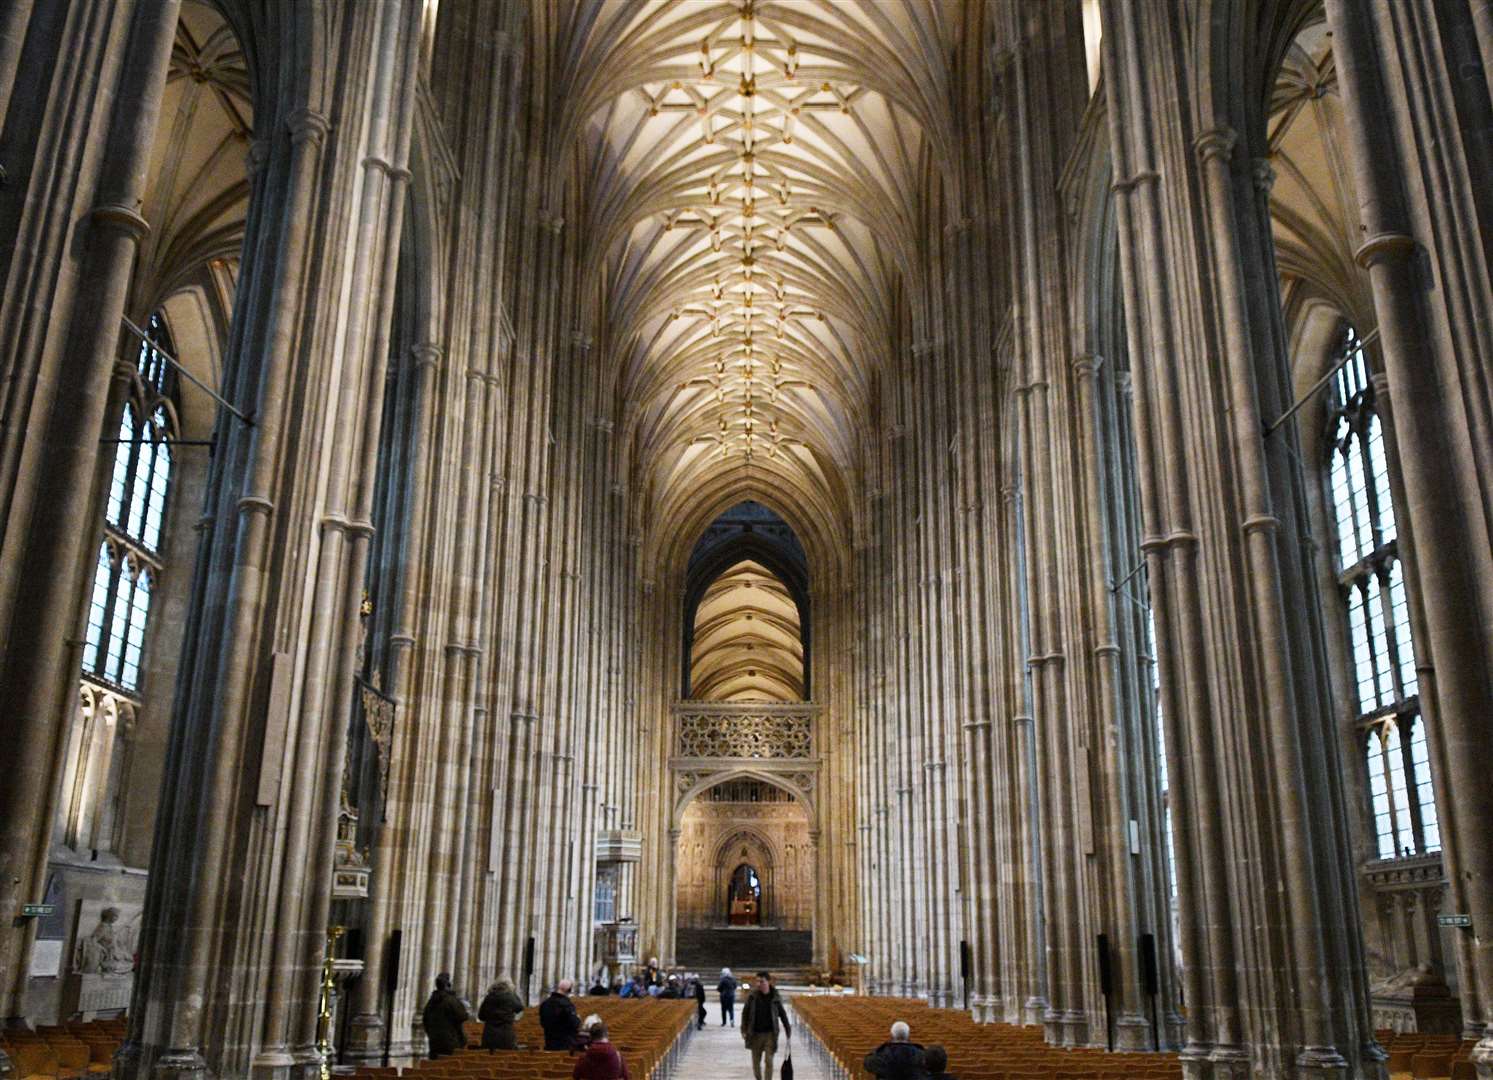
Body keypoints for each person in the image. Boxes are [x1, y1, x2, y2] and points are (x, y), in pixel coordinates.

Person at [740, 971, 791, 1080]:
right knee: (755, 1063)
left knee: (769, 1060)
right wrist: (743, 1030)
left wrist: (787, 1028)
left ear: (768, 982)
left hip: (770, 1034)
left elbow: (782, 1014)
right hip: (755, 1034)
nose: (759, 984)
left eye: (761, 981)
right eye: (757, 981)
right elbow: (745, 1013)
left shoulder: (775, 997)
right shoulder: (752, 997)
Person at [422, 973, 470, 1059]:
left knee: (435, 1067)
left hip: (434, 1041)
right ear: (448, 985)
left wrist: (431, 1033)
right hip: (450, 1041)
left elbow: (425, 1020)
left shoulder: (431, 1001)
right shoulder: (451, 1000)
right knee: (449, 1066)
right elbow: (463, 1016)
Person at [863, 1021, 927, 1080]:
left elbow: (867, 1063)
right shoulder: (921, 1054)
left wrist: (879, 1048)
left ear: (892, 1034)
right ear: (908, 1035)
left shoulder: (881, 1054)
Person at [477, 976, 524, 1050]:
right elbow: (520, 1007)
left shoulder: (489, 998)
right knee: (505, 1058)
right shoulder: (510, 997)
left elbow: (481, 1016)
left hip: (489, 1035)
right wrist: (513, 993)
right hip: (506, 1035)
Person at [539, 979, 582, 1051]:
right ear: (569, 990)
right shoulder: (566, 1004)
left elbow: (542, 1023)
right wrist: (577, 1018)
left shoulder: (545, 1003)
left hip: (549, 1043)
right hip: (565, 1044)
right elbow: (575, 1024)